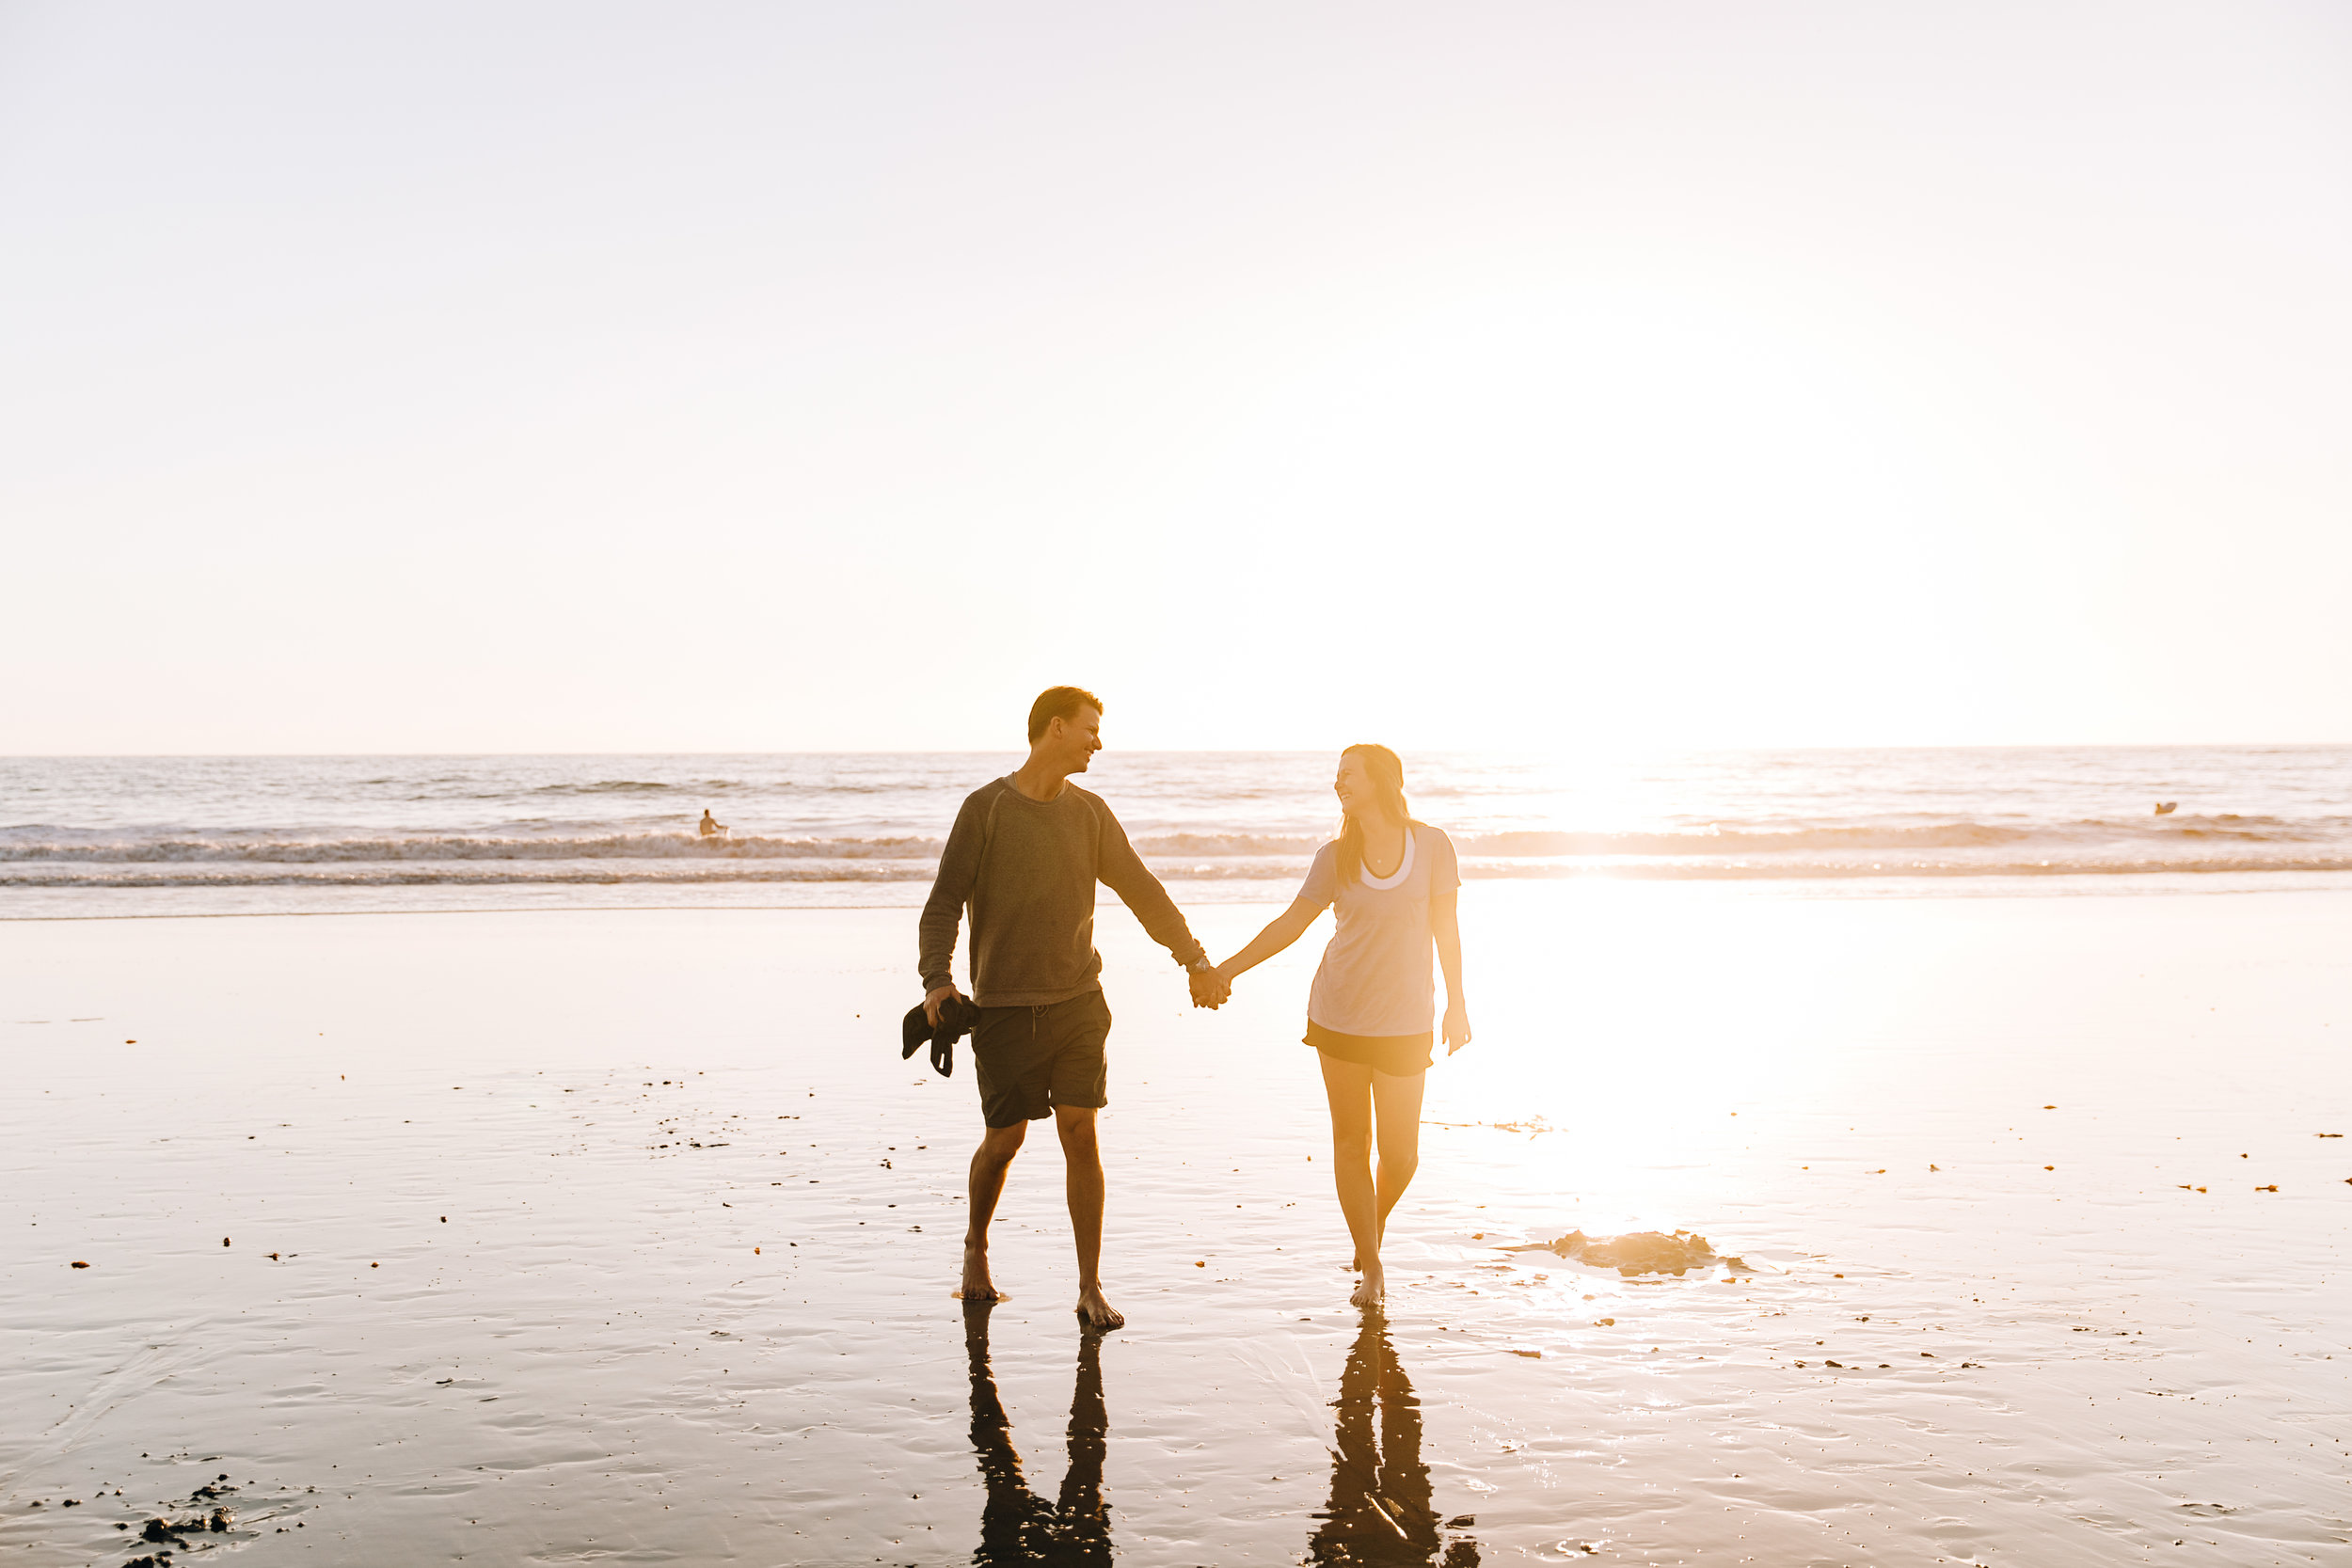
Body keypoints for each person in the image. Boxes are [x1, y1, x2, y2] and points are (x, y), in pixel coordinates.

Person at [918, 686, 1229, 1329]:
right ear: (1054, 728)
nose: (1098, 742)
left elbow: (1143, 890)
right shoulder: (986, 809)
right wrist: (936, 980)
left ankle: (1089, 1285)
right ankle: (976, 1244)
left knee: (1079, 1128)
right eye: (1090, 729)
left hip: (1079, 1001)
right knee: (1004, 1142)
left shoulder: (1090, 813)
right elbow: (945, 901)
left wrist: (1193, 957)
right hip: (1004, 1007)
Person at [1210, 745, 1470, 1308]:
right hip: (1340, 1014)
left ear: (1382, 780)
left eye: (1348, 773)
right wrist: (1227, 969)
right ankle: (1372, 1267)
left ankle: (1366, 1226)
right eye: (1337, 775)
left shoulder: (1432, 846)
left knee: (1402, 1155)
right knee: (1352, 1145)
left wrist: (1458, 1004)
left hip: (1406, 1021)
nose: (1338, 783)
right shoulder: (1335, 857)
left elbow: (1446, 929)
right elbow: (1291, 924)